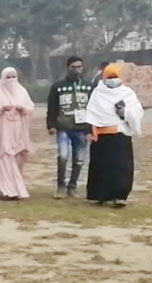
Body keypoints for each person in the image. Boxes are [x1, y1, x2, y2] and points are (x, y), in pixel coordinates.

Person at [85, 63, 143, 208]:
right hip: (101, 137)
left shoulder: (127, 93)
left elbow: (137, 111)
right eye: (109, 77)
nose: (112, 80)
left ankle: (119, 196)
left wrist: (124, 112)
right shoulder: (97, 93)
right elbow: (91, 114)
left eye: (115, 77)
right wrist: (89, 131)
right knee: (101, 167)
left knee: (121, 167)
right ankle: (99, 195)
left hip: (120, 135)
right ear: (104, 77)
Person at [47, 57, 92, 199]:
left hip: (81, 129)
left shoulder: (89, 86)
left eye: (79, 67)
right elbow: (52, 107)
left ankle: (72, 186)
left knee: (79, 160)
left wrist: (90, 130)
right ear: (67, 68)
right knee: (63, 157)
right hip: (63, 128)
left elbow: (93, 110)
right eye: (73, 67)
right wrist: (51, 125)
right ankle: (61, 186)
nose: (76, 70)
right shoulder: (58, 86)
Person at [0, 67, 34, 200]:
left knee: (18, 159)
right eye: (8, 77)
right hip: (3, 131)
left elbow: (30, 107)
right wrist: (0, 109)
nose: (11, 80)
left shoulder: (22, 91)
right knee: (6, 158)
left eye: (14, 77)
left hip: (19, 130)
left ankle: (17, 188)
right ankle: (9, 191)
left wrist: (24, 109)